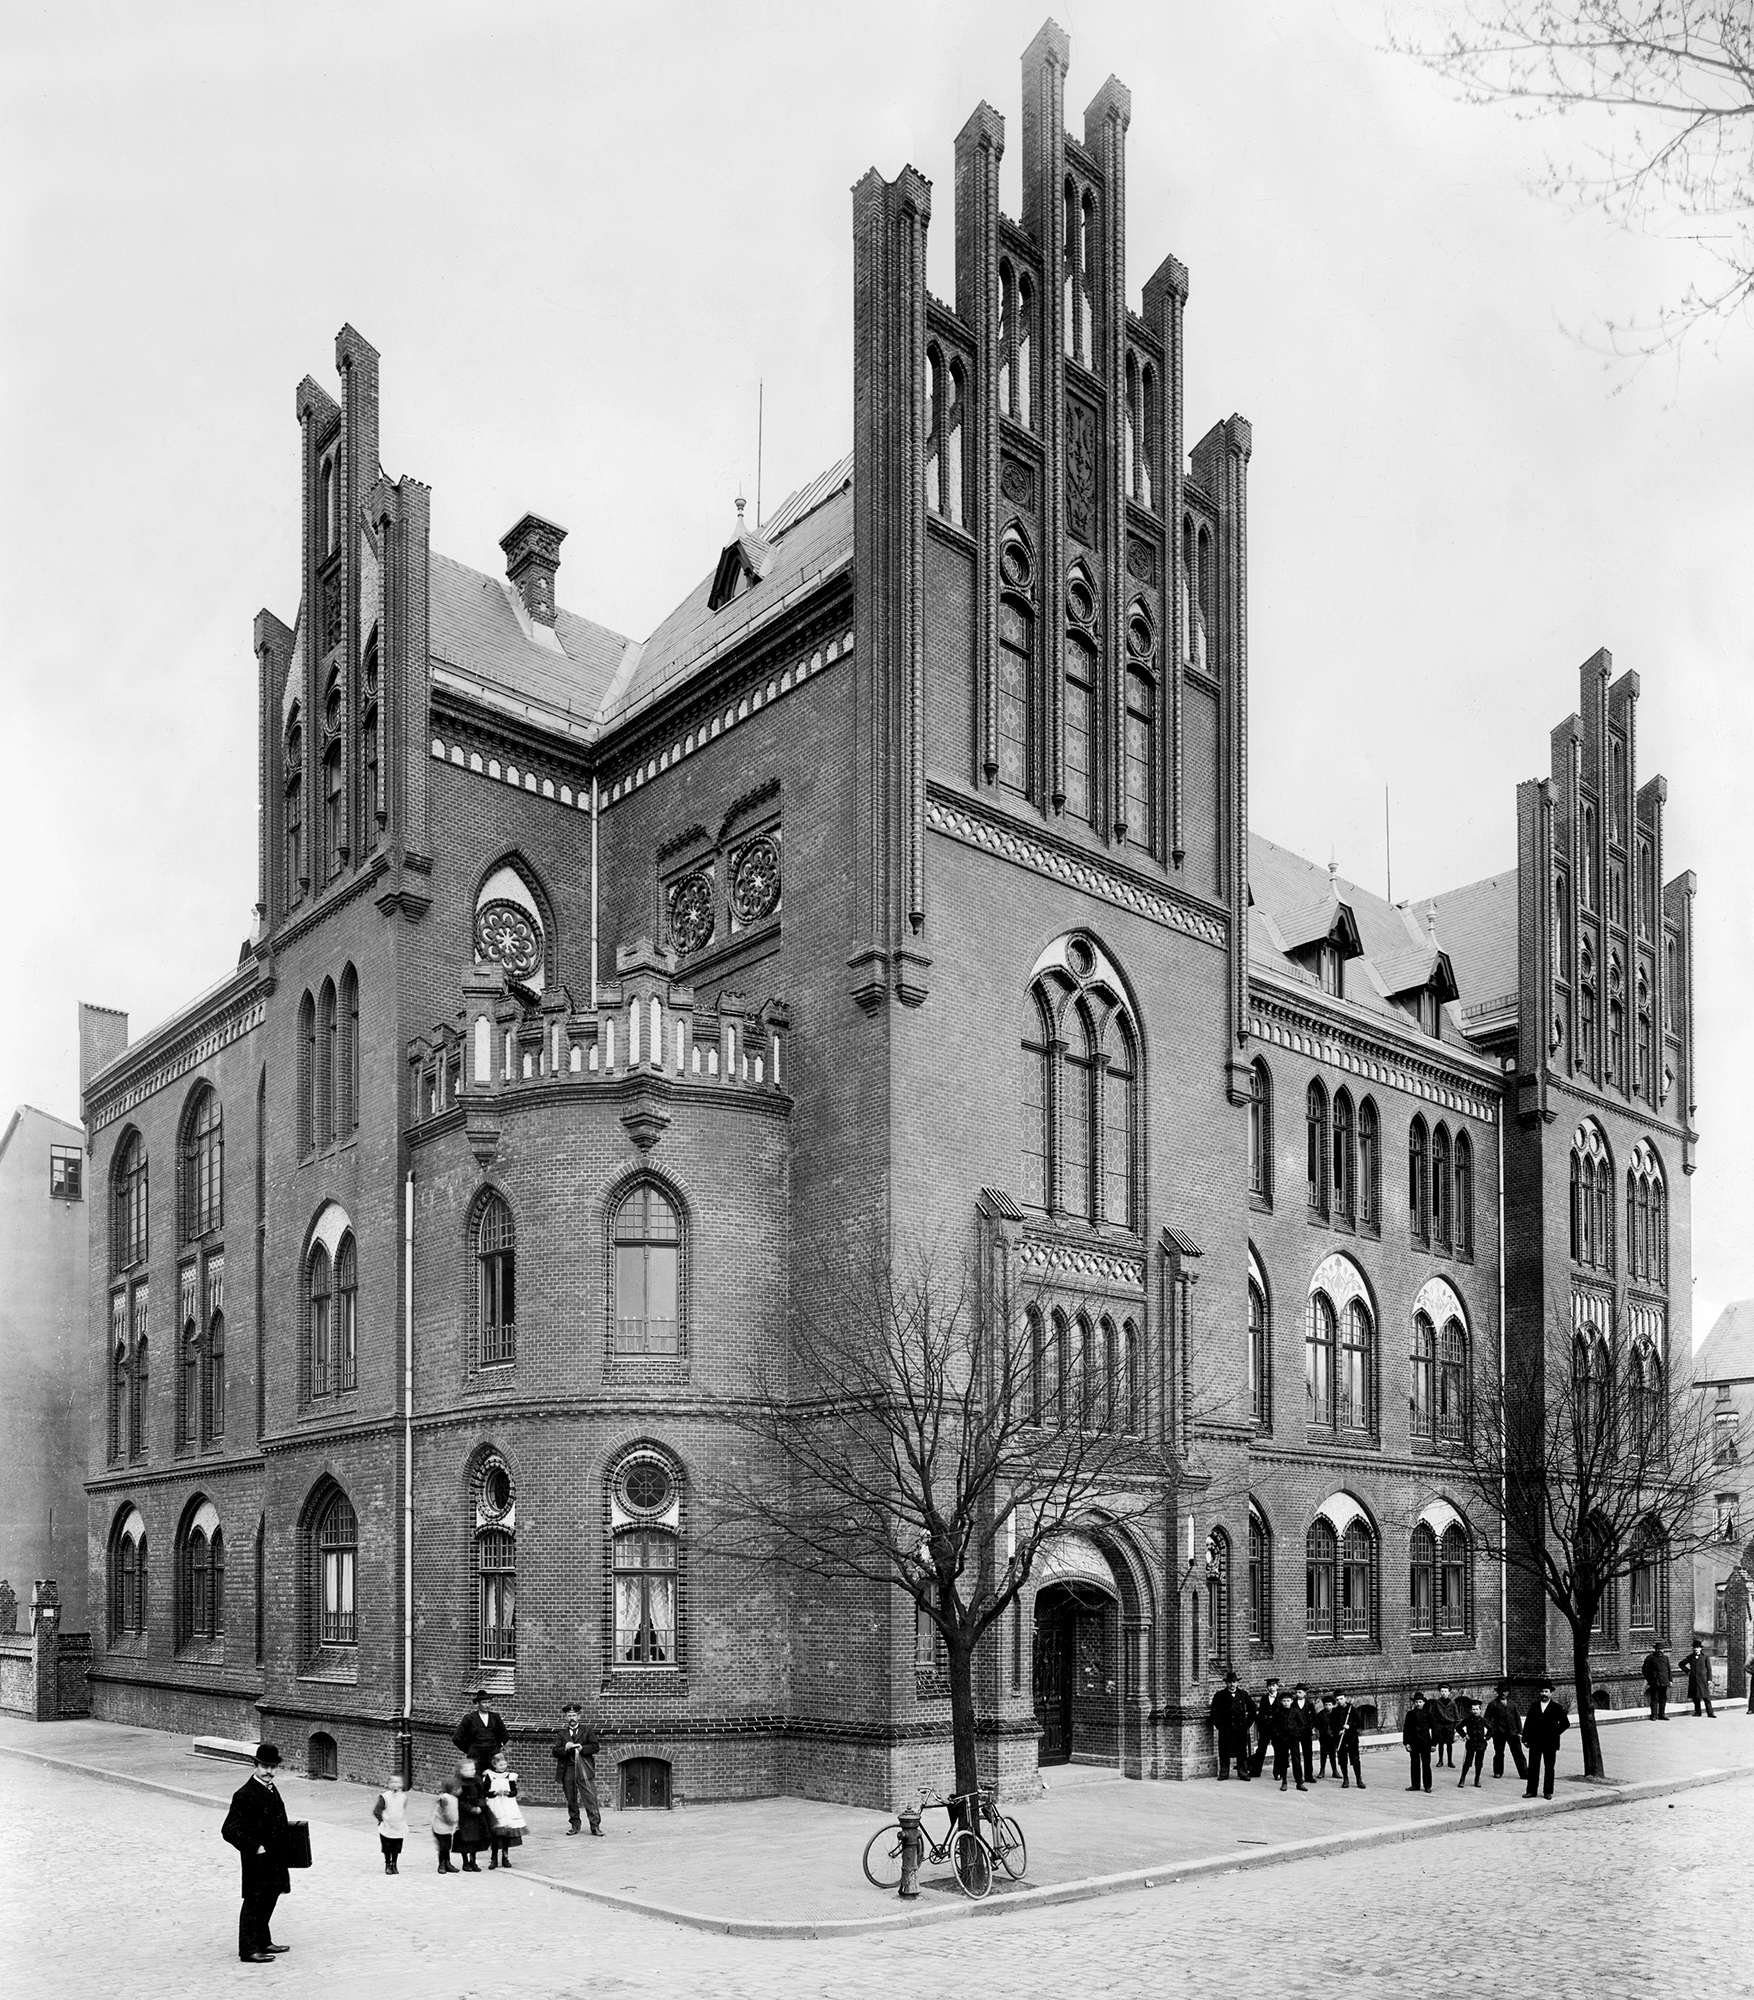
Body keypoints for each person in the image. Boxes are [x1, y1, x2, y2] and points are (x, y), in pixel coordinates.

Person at [220, 1742, 292, 1964]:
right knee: (254, 1903)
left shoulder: (271, 1788)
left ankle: (263, 1941)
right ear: (255, 1766)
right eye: (264, 1766)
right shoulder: (245, 1794)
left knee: (270, 1898)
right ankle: (249, 1949)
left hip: (274, 1858)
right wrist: (255, 1847)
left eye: (273, 1767)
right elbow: (229, 1829)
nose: (269, 1771)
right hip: (258, 1860)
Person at [553, 1701, 606, 1830]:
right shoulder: (562, 1734)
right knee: (571, 1799)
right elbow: (555, 1751)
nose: (571, 1718)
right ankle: (575, 1825)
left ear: (579, 1716)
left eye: (574, 1715)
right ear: (566, 1717)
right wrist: (565, 1748)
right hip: (568, 1769)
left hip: (584, 1768)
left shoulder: (587, 1731)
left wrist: (582, 1748)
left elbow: (595, 1747)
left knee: (590, 1797)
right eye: (569, 1716)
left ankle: (595, 1826)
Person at [1522, 1680, 1569, 1798]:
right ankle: (1531, 1790)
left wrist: (1554, 1732)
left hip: (1550, 1742)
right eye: (1542, 1691)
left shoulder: (1557, 1708)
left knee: (1549, 1767)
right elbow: (1528, 1723)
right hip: (1535, 1741)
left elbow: (1565, 1723)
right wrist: (1525, 1738)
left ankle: (1548, 1791)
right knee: (1533, 1767)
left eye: (1546, 1691)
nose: (1544, 1694)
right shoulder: (1534, 1706)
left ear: (1550, 1693)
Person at [1208, 1668, 1255, 1780]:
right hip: (1226, 1728)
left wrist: (1247, 1724)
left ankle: (1243, 1772)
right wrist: (1220, 1726)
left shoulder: (1243, 1694)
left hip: (1240, 1728)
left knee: (1242, 1751)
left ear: (1237, 1683)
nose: (1232, 1684)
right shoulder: (1220, 1695)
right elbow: (1214, 1712)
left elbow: (1252, 1708)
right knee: (1224, 1750)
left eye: (1234, 1682)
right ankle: (1224, 1773)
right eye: (1229, 1682)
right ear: (1226, 1683)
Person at [484, 1751, 526, 1869]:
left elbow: (514, 1791)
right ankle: (494, 1858)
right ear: (495, 1765)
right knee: (495, 1833)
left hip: (507, 1806)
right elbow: (485, 1791)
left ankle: (505, 1857)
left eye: (505, 1764)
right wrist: (494, 1793)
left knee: (506, 1833)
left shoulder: (510, 1776)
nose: (503, 1767)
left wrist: (509, 1793)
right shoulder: (490, 1776)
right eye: (500, 1765)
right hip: (495, 1805)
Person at [453, 1688, 509, 1769]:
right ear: (477, 1704)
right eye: (484, 1702)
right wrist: (470, 1749)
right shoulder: (469, 1718)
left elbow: (505, 1735)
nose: (487, 1705)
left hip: (493, 1755)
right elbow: (456, 1738)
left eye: (489, 1702)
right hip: (475, 1756)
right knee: (476, 1775)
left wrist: (496, 1747)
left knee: (492, 1775)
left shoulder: (495, 1717)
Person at [1483, 1680, 1528, 1781]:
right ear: (1498, 1692)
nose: (1503, 1693)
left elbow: (1517, 1718)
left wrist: (1520, 1732)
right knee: (1499, 1753)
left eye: (1506, 1691)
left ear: (1508, 1692)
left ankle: (1524, 1773)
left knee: (1518, 1753)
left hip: (1512, 1732)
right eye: (1501, 1691)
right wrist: (1493, 1728)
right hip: (1499, 1733)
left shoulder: (1512, 1704)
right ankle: (1498, 1771)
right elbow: (1486, 1719)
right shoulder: (1493, 1704)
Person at [454, 1758, 490, 1871]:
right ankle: (465, 1862)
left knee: (476, 1838)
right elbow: (459, 1801)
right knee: (465, 1839)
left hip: (477, 1814)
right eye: (469, 1769)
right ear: (461, 1771)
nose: (473, 1771)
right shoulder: (458, 1784)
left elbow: (481, 1795)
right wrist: (471, 1809)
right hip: (464, 1816)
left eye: (473, 1769)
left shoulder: (477, 1781)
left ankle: (473, 1861)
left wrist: (481, 1805)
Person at [372, 1774, 409, 1875]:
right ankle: (388, 1864)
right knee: (387, 1847)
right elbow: (377, 1810)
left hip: (398, 1826)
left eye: (398, 1782)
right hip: (387, 1826)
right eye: (393, 1782)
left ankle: (394, 1864)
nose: (395, 1784)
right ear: (388, 1784)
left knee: (396, 1847)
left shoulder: (403, 1797)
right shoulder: (385, 1797)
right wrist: (381, 1820)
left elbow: (402, 1809)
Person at [1270, 1691, 1307, 1792]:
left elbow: (1301, 1724)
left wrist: (1297, 1733)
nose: (1286, 1703)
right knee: (1283, 1760)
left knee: (1296, 1760)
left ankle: (1299, 1782)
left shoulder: (1295, 1712)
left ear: (1291, 1701)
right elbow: (1273, 1725)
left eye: (1288, 1701)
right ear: (1281, 1702)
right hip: (1282, 1739)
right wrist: (1278, 1734)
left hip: (1293, 1739)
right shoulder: (1278, 1712)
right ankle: (1284, 1782)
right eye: (1284, 1701)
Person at [1249, 1676, 1282, 1777]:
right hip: (1265, 1728)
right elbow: (1261, 1713)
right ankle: (1256, 1771)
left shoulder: (1281, 1698)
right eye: (1269, 1686)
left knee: (1278, 1750)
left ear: (1277, 1686)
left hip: (1277, 1728)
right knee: (1261, 1749)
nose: (1271, 1688)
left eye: (1273, 1685)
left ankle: (1277, 1772)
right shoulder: (1264, 1698)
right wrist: (1260, 1725)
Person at [1331, 1690, 1365, 1789]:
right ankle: (1345, 1779)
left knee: (1355, 1759)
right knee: (1342, 1760)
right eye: (1337, 1699)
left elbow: (1359, 1722)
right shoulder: (1334, 1711)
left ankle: (1359, 1779)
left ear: (1345, 1698)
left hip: (1352, 1738)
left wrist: (1349, 1726)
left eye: (1341, 1699)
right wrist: (1338, 1731)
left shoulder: (1352, 1709)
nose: (1339, 1701)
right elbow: (1332, 1724)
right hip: (1340, 1739)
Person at [1402, 1691, 1433, 1793]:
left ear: (1423, 1702)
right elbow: (1406, 1729)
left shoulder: (1428, 1714)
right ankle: (1415, 1785)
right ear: (1414, 1703)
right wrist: (1406, 1743)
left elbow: (1435, 1728)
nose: (1418, 1704)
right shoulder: (1410, 1714)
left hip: (1425, 1742)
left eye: (1420, 1702)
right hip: (1414, 1742)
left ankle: (1427, 1786)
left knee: (1426, 1764)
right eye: (1416, 1702)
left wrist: (1434, 1743)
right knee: (1414, 1764)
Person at [1679, 1639, 1716, 1718]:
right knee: (1695, 1696)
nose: (1696, 1649)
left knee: (1706, 1696)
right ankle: (1697, 1712)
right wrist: (1688, 1671)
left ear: (1700, 1648)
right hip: (1694, 1679)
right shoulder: (1690, 1657)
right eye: (1694, 1647)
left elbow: (1709, 1669)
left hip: (1703, 1680)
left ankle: (1710, 1713)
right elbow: (1681, 1664)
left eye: (1697, 1647)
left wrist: (1709, 1679)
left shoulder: (1705, 1657)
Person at [1456, 1697, 1489, 1787]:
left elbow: (1492, 1729)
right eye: (1473, 1709)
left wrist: (1486, 1737)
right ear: (1471, 1710)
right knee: (1467, 1762)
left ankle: (1477, 1779)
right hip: (1471, 1744)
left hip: (1481, 1744)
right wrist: (1464, 1735)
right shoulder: (1468, 1719)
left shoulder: (1483, 1720)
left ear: (1480, 1710)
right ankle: (1462, 1778)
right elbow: (1458, 1727)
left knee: (1479, 1763)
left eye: (1477, 1709)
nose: (1475, 1711)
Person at [1289, 1684, 1317, 1782]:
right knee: (1295, 1755)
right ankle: (1298, 1777)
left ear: (1305, 1693)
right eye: (1296, 1692)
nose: (1297, 1694)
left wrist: (1310, 1727)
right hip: (1295, 1732)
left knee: (1308, 1754)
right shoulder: (1292, 1704)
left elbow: (1314, 1717)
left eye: (1300, 1692)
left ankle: (1309, 1776)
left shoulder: (1310, 1704)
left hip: (1306, 1732)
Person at [432, 1781, 460, 1873]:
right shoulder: (445, 1798)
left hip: (449, 1827)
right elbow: (443, 1811)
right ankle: (441, 1864)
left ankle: (447, 1863)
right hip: (440, 1826)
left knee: (447, 1845)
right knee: (443, 1846)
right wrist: (449, 1820)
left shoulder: (454, 1799)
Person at [1431, 1683, 1460, 1769]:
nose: (1444, 1693)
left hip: (1449, 1726)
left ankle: (1450, 1761)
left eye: (1445, 1691)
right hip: (1440, 1726)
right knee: (1440, 1743)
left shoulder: (1453, 1703)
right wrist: (1435, 1726)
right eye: (1442, 1691)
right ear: (1440, 1692)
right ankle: (1440, 1760)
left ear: (1449, 1693)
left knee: (1449, 1744)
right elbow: (1432, 1715)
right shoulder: (1437, 1703)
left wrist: (1455, 1727)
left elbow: (1457, 1717)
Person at [1641, 1639, 1672, 1720]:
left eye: (1661, 1649)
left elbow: (1668, 1670)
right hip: (1655, 1681)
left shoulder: (1665, 1658)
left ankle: (1662, 1714)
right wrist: (1649, 1679)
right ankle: (1654, 1715)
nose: (1659, 1651)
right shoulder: (1650, 1658)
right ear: (1655, 1649)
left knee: (1663, 1698)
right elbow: (1645, 1669)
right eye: (1658, 1649)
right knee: (1654, 1698)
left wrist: (1670, 1680)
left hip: (1664, 1681)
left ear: (1663, 1650)